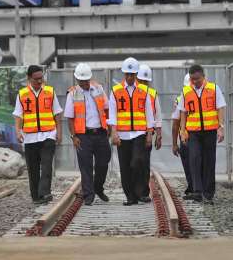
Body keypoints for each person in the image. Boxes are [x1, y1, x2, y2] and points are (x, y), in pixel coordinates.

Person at [107, 57, 155, 206]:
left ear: (136, 75)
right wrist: (114, 133)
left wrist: (149, 133)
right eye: (126, 74)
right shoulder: (116, 91)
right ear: (124, 74)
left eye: (132, 74)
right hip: (122, 135)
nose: (129, 77)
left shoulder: (144, 90)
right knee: (125, 167)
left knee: (138, 161)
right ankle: (131, 197)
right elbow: (112, 114)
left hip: (139, 134)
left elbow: (149, 113)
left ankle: (140, 191)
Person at [13, 65, 63, 204]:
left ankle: (45, 192)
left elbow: (57, 113)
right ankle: (36, 197)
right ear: (29, 78)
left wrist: (59, 132)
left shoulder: (50, 92)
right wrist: (18, 131)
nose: (40, 81)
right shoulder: (22, 94)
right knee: (33, 169)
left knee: (47, 165)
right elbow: (18, 115)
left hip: (48, 135)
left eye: (41, 78)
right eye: (36, 79)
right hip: (30, 137)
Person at [64, 63, 111, 206]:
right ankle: (88, 195)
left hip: (101, 133)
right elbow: (70, 118)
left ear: (90, 78)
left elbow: (107, 109)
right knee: (86, 166)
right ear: (77, 80)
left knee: (104, 162)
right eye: (81, 81)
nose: (84, 83)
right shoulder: (72, 93)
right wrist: (74, 137)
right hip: (83, 135)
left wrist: (109, 128)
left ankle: (98, 187)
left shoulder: (98, 88)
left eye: (86, 80)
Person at [179, 65, 226, 204]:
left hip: (210, 131)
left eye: (197, 79)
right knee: (194, 158)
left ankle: (208, 193)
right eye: (192, 79)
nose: (195, 82)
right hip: (193, 132)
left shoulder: (214, 88)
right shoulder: (186, 91)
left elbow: (220, 108)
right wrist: (183, 131)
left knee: (209, 160)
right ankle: (198, 191)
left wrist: (220, 127)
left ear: (203, 76)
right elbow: (183, 112)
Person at [136, 64, 162, 198]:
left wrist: (158, 135)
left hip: (147, 133)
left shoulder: (152, 94)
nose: (143, 84)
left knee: (144, 163)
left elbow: (157, 116)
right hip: (133, 133)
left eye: (145, 82)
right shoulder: (131, 92)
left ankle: (143, 192)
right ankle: (135, 192)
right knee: (135, 163)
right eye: (141, 81)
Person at [171, 73, 193, 198]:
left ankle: (194, 187)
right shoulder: (180, 100)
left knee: (191, 163)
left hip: (188, 136)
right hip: (186, 136)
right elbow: (175, 124)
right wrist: (174, 144)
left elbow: (175, 124)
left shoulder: (179, 99)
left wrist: (174, 144)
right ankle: (194, 187)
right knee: (191, 162)